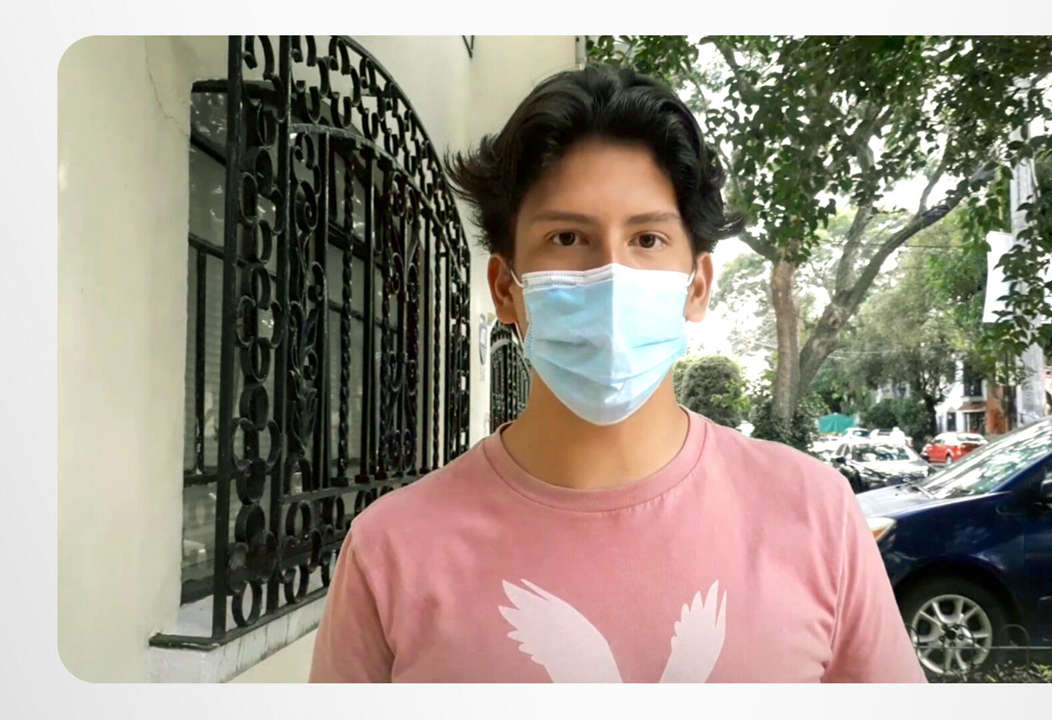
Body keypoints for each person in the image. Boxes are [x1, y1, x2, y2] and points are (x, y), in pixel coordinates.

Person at [308, 63, 925, 683]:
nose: (610, 276)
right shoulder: (391, 551)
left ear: (697, 287)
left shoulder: (816, 516)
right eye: (567, 237)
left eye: (647, 239)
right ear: (505, 289)